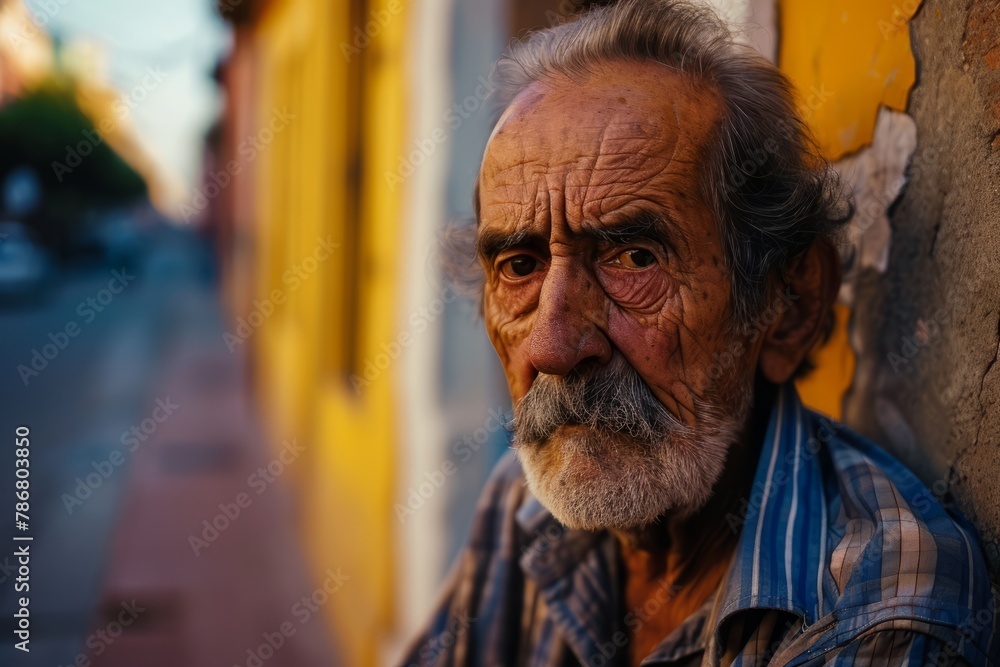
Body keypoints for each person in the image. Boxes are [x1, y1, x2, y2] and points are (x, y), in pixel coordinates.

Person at [401, 1, 998, 664]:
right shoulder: (521, 502)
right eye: (519, 266)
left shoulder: (882, 609)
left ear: (788, 303)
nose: (552, 346)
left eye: (633, 257)